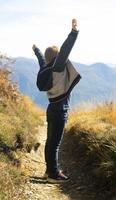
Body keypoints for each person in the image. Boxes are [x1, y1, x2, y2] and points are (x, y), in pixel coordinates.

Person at [32, 19, 81, 183]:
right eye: (59, 55)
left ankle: (49, 171)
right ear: (57, 57)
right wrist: (74, 32)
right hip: (61, 110)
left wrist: (36, 50)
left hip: (52, 107)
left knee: (50, 142)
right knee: (55, 143)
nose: (62, 56)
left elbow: (41, 59)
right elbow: (66, 49)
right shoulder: (58, 66)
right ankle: (53, 174)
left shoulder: (45, 68)